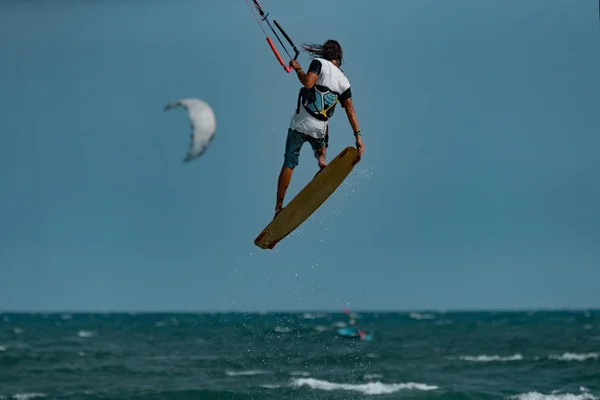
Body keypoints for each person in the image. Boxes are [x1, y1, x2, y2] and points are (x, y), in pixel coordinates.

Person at [274, 39, 364, 217]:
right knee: (320, 145)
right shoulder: (344, 82)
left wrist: (298, 68)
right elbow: (350, 111)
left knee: (289, 163)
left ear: (325, 53)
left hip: (301, 123)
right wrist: (358, 136)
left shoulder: (319, 64)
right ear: (339, 58)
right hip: (319, 129)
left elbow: (308, 83)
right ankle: (321, 159)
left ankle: (278, 207)